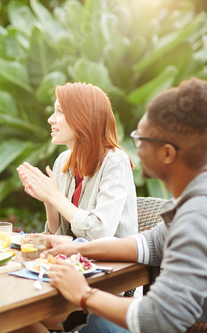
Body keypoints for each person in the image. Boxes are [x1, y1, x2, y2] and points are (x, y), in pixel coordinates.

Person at [43, 78, 207, 333]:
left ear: (167, 153)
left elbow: (159, 318)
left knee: (98, 326)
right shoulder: (196, 196)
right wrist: (78, 249)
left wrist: (82, 293)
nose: (135, 148)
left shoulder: (198, 215)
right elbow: (150, 244)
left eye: (140, 139)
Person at [17, 82, 137, 241]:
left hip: (114, 264)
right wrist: (48, 200)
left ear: (83, 117)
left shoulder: (115, 161)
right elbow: (58, 235)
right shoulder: (63, 161)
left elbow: (99, 233)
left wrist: (54, 196)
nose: (50, 119)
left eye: (60, 112)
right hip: (75, 260)